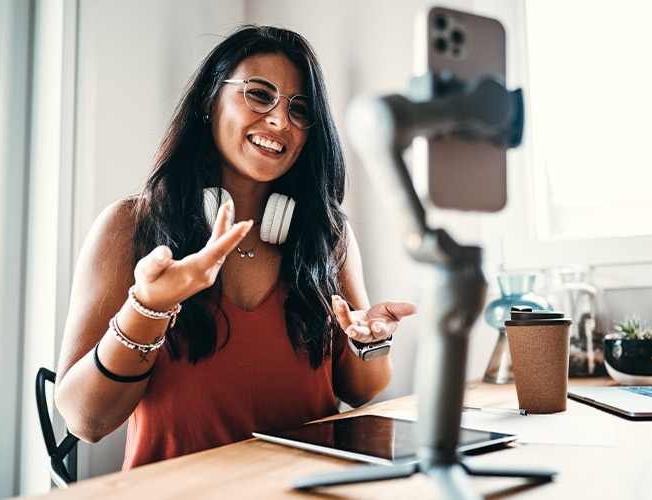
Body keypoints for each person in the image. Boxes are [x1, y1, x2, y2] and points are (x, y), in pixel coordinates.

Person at [53, 25, 417, 469]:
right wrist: (147, 308)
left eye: (300, 109)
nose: (280, 121)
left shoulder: (325, 234)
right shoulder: (130, 227)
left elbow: (360, 389)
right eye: (259, 95)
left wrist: (371, 342)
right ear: (209, 99)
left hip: (304, 491)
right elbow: (83, 420)